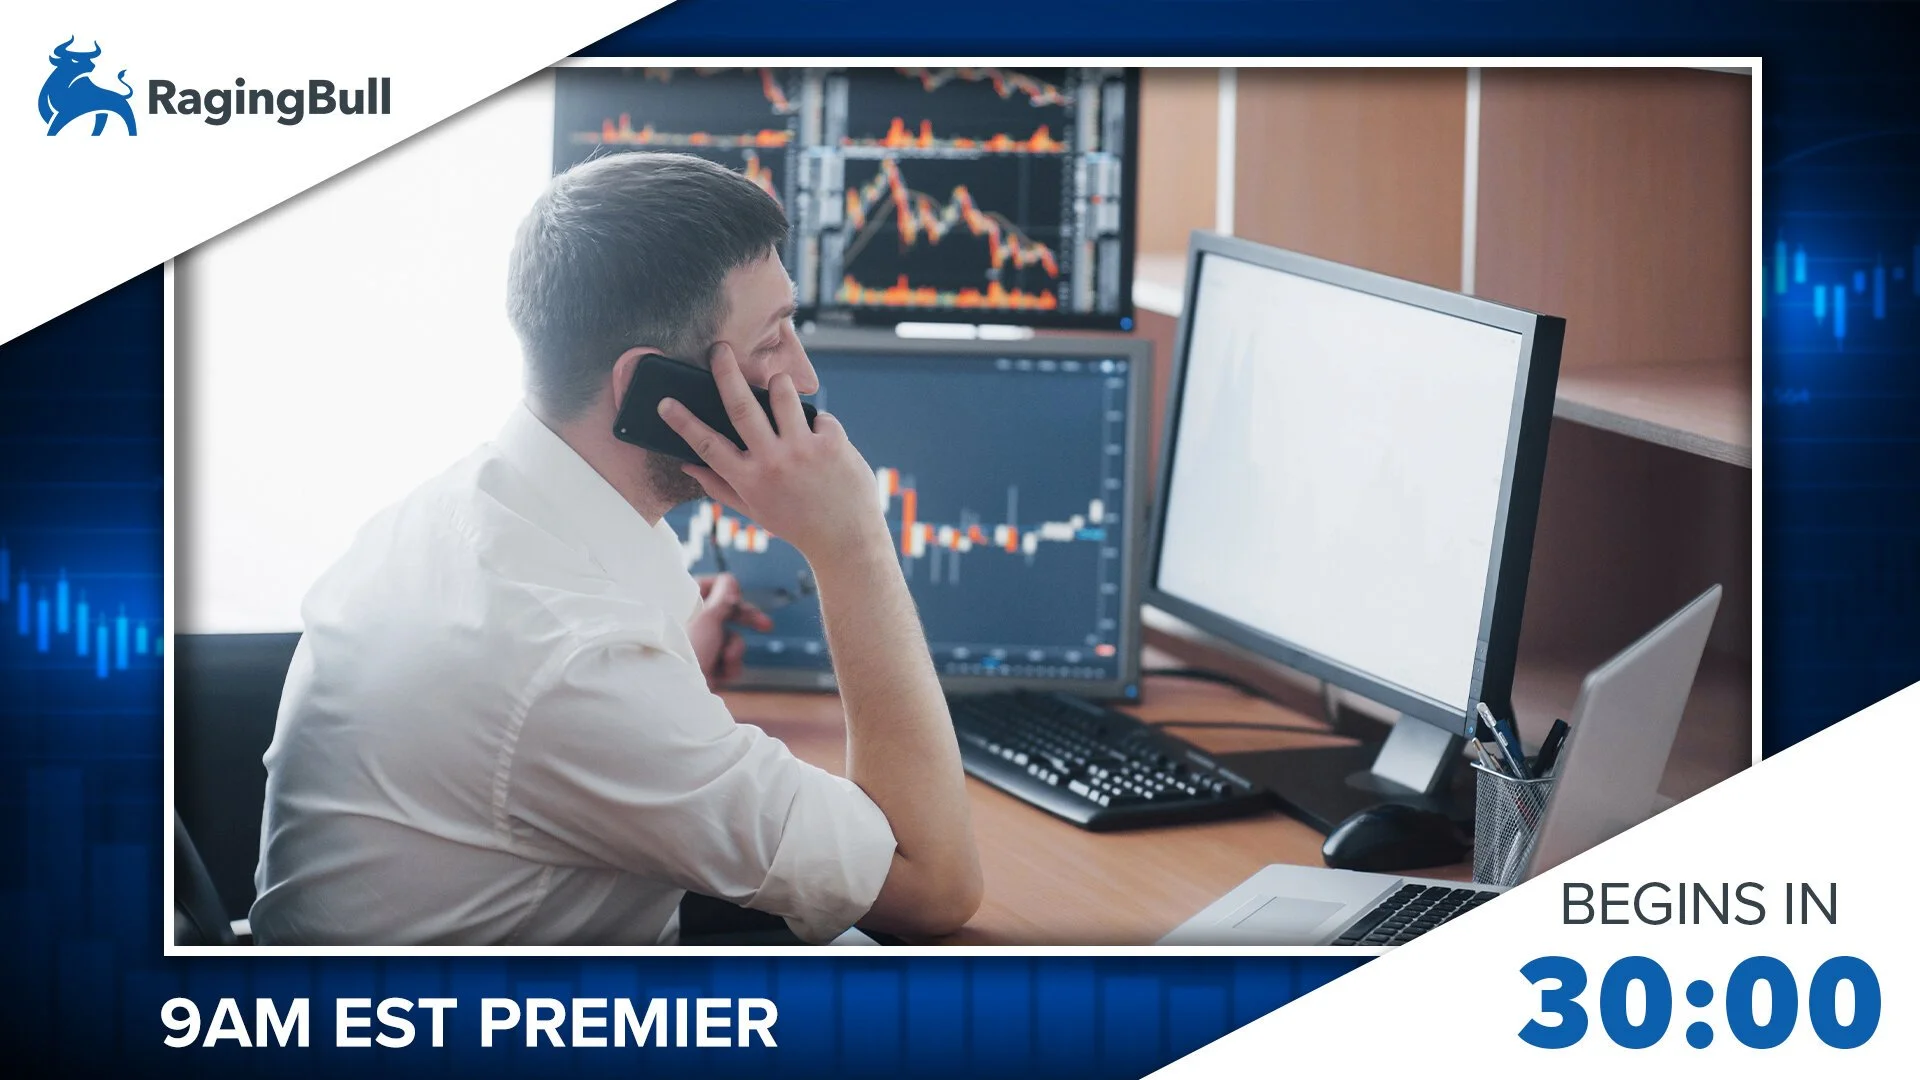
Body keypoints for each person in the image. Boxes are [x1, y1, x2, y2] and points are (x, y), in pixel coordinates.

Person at [249, 152, 983, 945]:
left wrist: (668, 664)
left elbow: (545, 710)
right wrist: (852, 542)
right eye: (773, 340)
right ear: (655, 389)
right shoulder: (572, 662)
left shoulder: (470, 512)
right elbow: (930, 885)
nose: (801, 375)